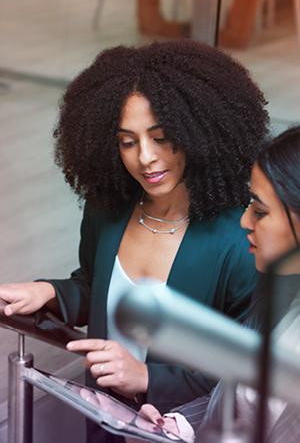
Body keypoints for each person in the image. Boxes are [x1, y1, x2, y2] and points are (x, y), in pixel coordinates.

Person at [0, 39, 269, 443]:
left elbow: (246, 372)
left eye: (161, 137)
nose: (145, 157)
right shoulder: (108, 209)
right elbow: (95, 287)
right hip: (104, 424)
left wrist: (146, 378)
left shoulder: (239, 241)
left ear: (201, 133)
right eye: (128, 141)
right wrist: (48, 292)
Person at [133, 125, 300, 443]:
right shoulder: (274, 286)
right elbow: (234, 398)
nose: (244, 221)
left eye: (261, 212)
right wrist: (178, 426)